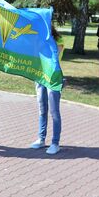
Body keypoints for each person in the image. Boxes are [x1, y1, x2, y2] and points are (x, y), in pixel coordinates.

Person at [30, 25, 64, 155]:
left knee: (54, 112)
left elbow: (53, 57)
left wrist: (46, 41)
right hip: (40, 77)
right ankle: (41, 139)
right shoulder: (37, 39)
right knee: (42, 109)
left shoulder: (59, 40)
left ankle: (55, 143)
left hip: (53, 79)